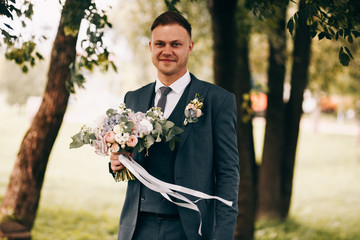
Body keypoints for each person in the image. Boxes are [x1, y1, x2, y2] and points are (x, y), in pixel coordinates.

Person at [110, 11, 240, 240]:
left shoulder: (217, 100)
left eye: (176, 44)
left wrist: (223, 234)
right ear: (151, 46)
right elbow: (129, 166)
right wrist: (116, 164)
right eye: (160, 43)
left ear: (190, 47)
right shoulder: (133, 98)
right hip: (137, 228)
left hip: (190, 229)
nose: (166, 51)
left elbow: (228, 173)